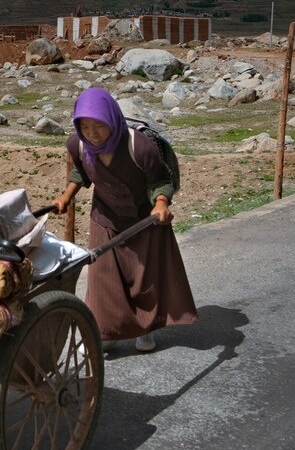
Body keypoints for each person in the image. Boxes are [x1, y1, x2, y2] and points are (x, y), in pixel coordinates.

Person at [51, 87, 198, 353]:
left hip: (144, 218)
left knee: (144, 279)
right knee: (103, 278)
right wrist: (66, 196)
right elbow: (81, 171)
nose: (92, 133)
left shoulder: (140, 147)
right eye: (84, 126)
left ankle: (145, 330)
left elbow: (161, 181)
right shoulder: (78, 144)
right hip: (105, 216)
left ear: (112, 119)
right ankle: (105, 332)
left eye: (99, 125)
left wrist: (161, 204)